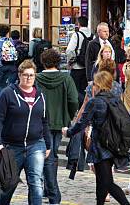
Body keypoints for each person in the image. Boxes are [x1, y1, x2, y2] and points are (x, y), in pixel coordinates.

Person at [63, 71, 130, 205]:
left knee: (107, 183)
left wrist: (68, 132)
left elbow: (81, 123)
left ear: (98, 85)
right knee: (101, 180)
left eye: (94, 84)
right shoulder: (115, 100)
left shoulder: (95, 102)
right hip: (114, 144)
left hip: (101, 146)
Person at [0, 60, 52, 205]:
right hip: (12, 146)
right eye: (25, 75)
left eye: (32, 75)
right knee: (8, 185)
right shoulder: (8, 93)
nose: (29, 78)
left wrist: (48, 144)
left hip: (36, 145)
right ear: (19, 75)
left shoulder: (41, 95)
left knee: (36, 183)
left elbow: (44, 121)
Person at [36, 49, 79, 205]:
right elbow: (74, 100)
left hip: (39, 122)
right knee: (52, 154)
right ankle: (51, 189)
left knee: (45, 155)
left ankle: (48, 188)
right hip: (59, 122)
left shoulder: (37, 78)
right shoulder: (66, 78)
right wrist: (68, 116)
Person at [66, 16, 93, 103]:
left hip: (77, 67)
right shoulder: (92, 35)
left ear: (79, 24)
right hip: (89, 68)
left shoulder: (76, 35)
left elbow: (69, 50)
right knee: (86, 90)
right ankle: (87, 105)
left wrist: (71, 62)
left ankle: (80, 107)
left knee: (75, 90)